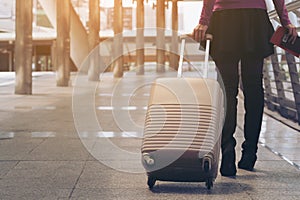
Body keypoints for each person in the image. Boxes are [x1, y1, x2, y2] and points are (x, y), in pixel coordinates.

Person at [193, 0, 298, 177]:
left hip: (224, 19)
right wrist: (286, 21)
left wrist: (204, 21)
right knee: (254, 87)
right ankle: (250, 154)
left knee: (227, 89)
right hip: (254, 18)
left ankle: (227, 153)